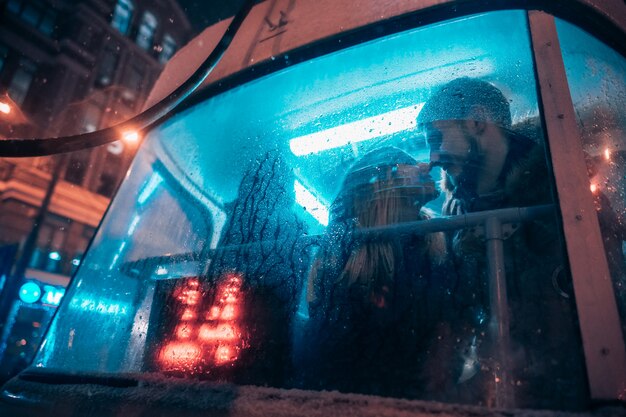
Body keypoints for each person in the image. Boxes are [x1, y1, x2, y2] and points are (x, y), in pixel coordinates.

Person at [416, 78, 587, 409]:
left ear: (478, 121)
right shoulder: (455, 214)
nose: (433, 157)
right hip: (502, 391)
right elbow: (459, 319)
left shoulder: (565, 186)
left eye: (438, 138)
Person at [298, 146, 447, 399]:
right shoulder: (346, 260)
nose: (426, 165)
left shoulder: (437, 242)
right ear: (382, 184)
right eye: (407, 162)